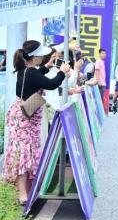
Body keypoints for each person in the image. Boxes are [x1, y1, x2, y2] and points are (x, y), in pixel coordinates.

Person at [3, 41, 70, 204]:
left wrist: (47, 67)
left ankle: (23, 190)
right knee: (24, 155)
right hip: (25, 118)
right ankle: (22, 194)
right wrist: (62, 72)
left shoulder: (26, 69)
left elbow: (37, 78)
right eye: (40, 54)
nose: (42, 56)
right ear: (33, 57)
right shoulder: (31, 73)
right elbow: (51, 84)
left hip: (24, 114)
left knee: (27, 153)